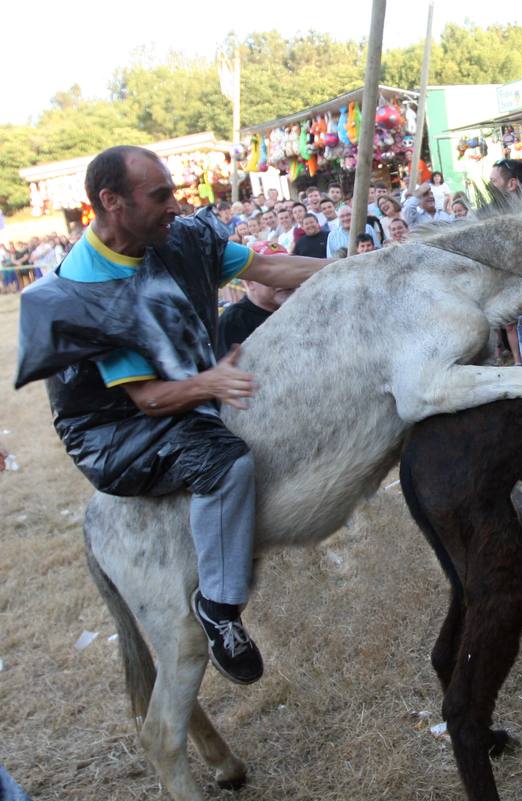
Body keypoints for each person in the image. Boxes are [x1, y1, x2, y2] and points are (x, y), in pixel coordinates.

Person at [13, 146, 329, 684]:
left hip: (185, 387)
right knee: (226, 463)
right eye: (160, 195)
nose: (176, 205)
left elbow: (269, 267)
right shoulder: (85, 295)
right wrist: (208, 382)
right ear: (112, 202)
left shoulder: (177, 238)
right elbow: (149, 400)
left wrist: (360, 268)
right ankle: (220, 608)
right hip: (117, 432)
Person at [216, 240, 294, 355]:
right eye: (274, 274)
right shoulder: (233, 321)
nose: (283, 280)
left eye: (287, 271)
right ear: (249, 283)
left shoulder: (299, 307)